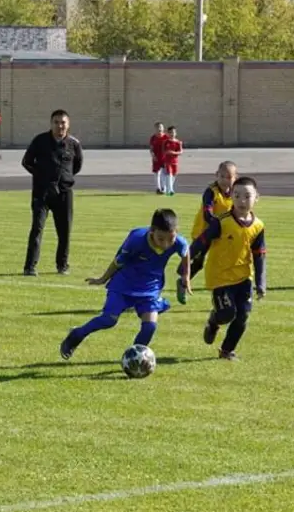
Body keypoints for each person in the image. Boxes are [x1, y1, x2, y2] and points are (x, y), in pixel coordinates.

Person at [59, 209, 191, 360]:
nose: (166, 244)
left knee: (150, 326)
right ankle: (76, 334)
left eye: (171, 239)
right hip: (123, 285)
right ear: (152, 231)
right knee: (109, 320)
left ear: (176, 232)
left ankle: (135, 359)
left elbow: (185, 252)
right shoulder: (137, 240)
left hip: (150, 289)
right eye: (161, 239)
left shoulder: (178, 242)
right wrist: (103, 279)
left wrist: (186, 276)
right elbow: (118, 261)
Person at [188, 176, 266, 361]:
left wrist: (261, 283)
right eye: (237, 195)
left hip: (244, 277)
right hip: (220, 277)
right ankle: (214, 321)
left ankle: (226, 351)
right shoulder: (221, 222)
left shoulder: (258, 226)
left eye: (247, 196)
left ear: (257, 198)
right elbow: (201, 242)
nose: (242, 201)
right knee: (226, 314)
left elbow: (259, 255)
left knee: (242, 317)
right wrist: (187, 261)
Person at [21, 109, 84, 276]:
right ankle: (30, 267)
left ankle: (62, 266)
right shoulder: (40, 141)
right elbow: (26, 162)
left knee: (64, 231)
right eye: (56, 122)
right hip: (42, 193)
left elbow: (76, 166)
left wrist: (65, 179)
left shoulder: (74, 144)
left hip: (64, 193)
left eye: (63, 122)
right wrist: (41, 176)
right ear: (51, 124)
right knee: (37, 229)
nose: (59, 126)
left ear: (68, 124)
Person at [176, 161, 237, 304]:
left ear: (235, 178)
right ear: (216, 175)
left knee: (225, 262)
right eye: (222, 176)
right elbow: (207, 213)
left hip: (223, 234)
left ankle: (225, 293)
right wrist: (216, 222)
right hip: (204, 232)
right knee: (198, 263)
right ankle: (183, 282)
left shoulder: (235, 193)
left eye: (229, 177)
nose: (225, 180)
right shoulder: (211, 192)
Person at [162, 126, 183, 195]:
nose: (172, 134)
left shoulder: (178, 142)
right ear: (168, 133)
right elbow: (164, 151)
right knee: (169, 174)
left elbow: (180, 152)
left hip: (175, 162)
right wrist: (167, 152)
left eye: (173, 132)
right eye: (170, 132)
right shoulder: (166, 142)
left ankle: (169, 187)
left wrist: (174, 153)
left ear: (175, 133)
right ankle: (170, 190)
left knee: (174, 174)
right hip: (168, 161)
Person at [149, 122, 168, 195]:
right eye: (158, 127)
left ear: (163, 128)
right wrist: (153, 156)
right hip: (156, 158)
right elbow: (151, 148)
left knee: (164, 173)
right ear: (155, 129)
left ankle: (164, 187)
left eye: (161, 127)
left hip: (164, 158)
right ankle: (158, 188)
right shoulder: (153, 138)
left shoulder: (166, 137)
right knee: (157, 173)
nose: (159, 129)